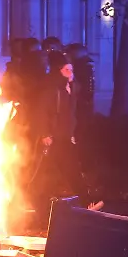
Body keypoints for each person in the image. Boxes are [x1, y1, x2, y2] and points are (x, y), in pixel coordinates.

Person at [36, 52, 103, 212]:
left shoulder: (70, 88)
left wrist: (72, 133)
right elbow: (41, 112)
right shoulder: (51, 89)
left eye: (71, 69)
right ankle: (42, 209)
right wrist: (45, 133)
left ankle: (87, 203)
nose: (70, 73)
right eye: (66, 70)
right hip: (53, 139)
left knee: (70, 171)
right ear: (58, 71)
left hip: (65, 138)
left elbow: (71, 114)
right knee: (47, 175)